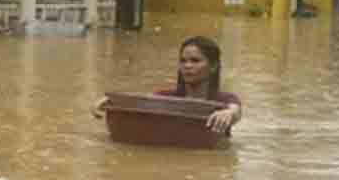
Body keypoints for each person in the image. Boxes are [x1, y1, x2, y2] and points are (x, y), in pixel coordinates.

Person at [92, 35, 244, 133]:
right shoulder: (166, 97)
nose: (187, 66)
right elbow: (139, 103)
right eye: (183, 61)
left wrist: (228, 113)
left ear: (213, 66)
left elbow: (235, 110)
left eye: (195, 61)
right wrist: (109, 101)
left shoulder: (224, 100)